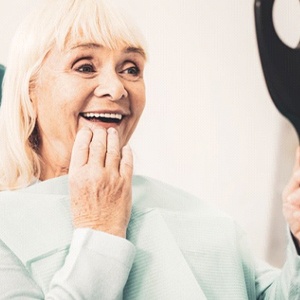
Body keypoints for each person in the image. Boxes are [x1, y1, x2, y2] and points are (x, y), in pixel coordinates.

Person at [0, 0, 299, 299]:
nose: (116, 89)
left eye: (131, 69)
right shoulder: (6, 228)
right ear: (29, 90)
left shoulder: (197, 214)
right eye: (86, 66)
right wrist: (99, 229)